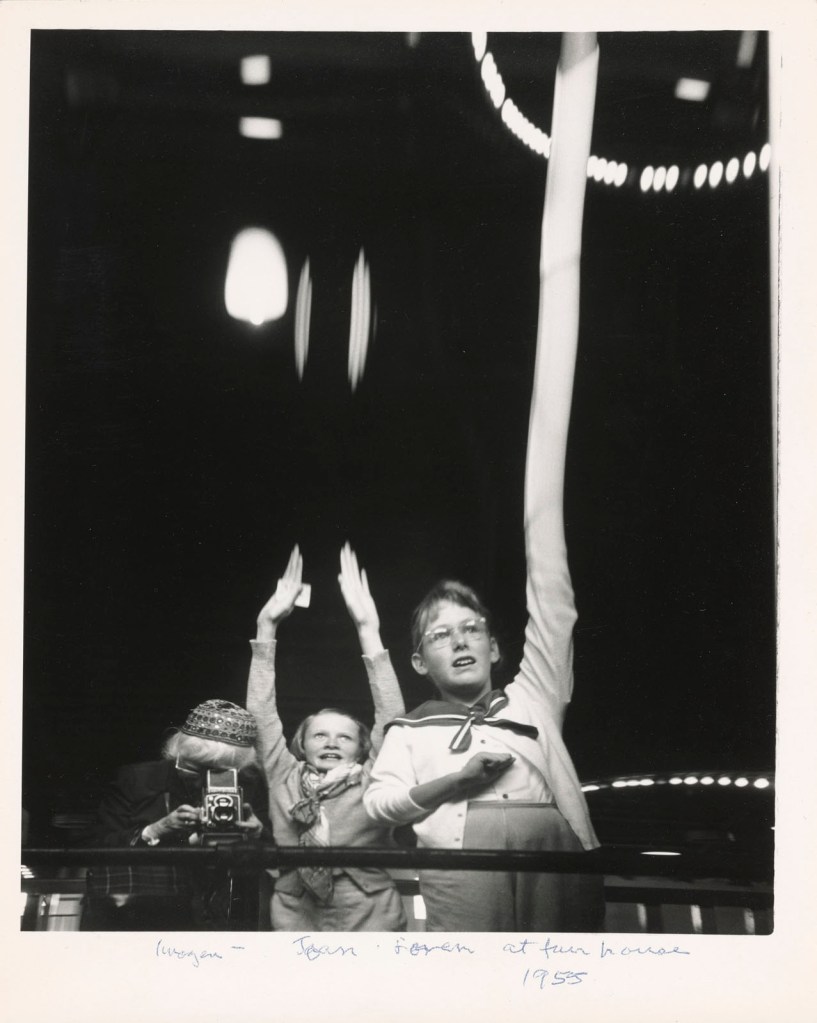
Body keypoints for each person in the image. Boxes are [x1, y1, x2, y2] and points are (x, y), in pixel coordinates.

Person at [363, 318, 604, 934]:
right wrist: (456, 780)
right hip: (460, 860)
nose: (460, 640)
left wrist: (542, 516)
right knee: (475, 980)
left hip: (555, 849)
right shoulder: (410, 732)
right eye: (441, 635)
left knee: (562, 975)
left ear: (495, 646)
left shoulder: (534, 697)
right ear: (420, 662)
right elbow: (379, 805)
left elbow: (554, 606)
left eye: (471, 628)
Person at [245, 543, 407, 932]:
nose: (331, 743)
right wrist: (266, 627)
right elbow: (261, 715)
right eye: (319, 735)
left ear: (363, 747)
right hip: (294, 906)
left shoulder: (373, 777)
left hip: (371, 907)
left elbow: (392, 718)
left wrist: (369, 631)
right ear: (301, 744)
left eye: (344, 738)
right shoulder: (283, 774)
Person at [85, 699, 268, 930]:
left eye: (218, 772)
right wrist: (157, 830)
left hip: (222, 911)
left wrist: (257, 833)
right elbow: (96, 845)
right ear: (177, 753)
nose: (203, 780)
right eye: (193, 768)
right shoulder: (136, 780)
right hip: (144, 914)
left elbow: (274, 850)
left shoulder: (249, 786)